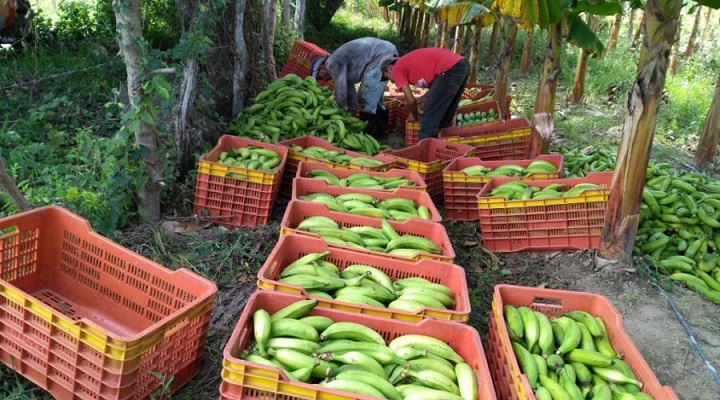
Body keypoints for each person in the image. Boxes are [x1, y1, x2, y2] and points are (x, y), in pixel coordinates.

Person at [309, 37, 398, 137]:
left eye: (320, 77)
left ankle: (369, 135)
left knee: (366, 97)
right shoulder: (338, 64)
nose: (325, 81)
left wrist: (340, 112)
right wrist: (351, 109)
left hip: (381, 55)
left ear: (321, 68)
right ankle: (381, 132)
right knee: (376, 99)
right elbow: (349, 88)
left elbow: (341, 91)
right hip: (386, 51)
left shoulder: (332, 63)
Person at [381, 47, 470, 140]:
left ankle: (425, 150)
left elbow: (411, 101)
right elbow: (435, 91)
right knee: (444, 115)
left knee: (427, 119)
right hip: (461, 65)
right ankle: (437, 146)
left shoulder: (397, 68)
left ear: (390, 69)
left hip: (450, 68)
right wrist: (418, 101)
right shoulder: (408, 64)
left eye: (387, 77)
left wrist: (414, 115)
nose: (391, 82)